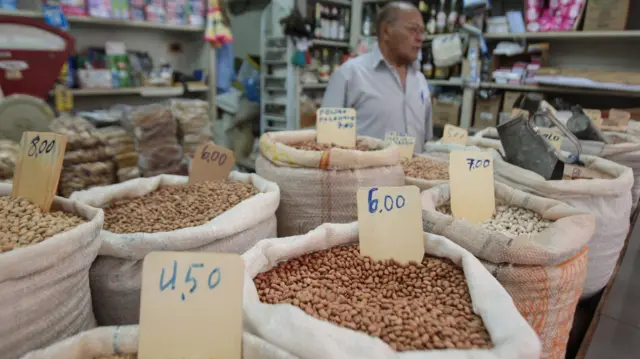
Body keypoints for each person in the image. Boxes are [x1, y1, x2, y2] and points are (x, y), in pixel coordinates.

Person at [321, 1, 432, 152]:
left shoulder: (420, 80)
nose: (420, 38)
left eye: (422, 31)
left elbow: (426, 140)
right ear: (386, 31)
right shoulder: (350, 75)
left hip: (413, 175)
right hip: (365, 175)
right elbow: (326, 142)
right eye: (413, 29)